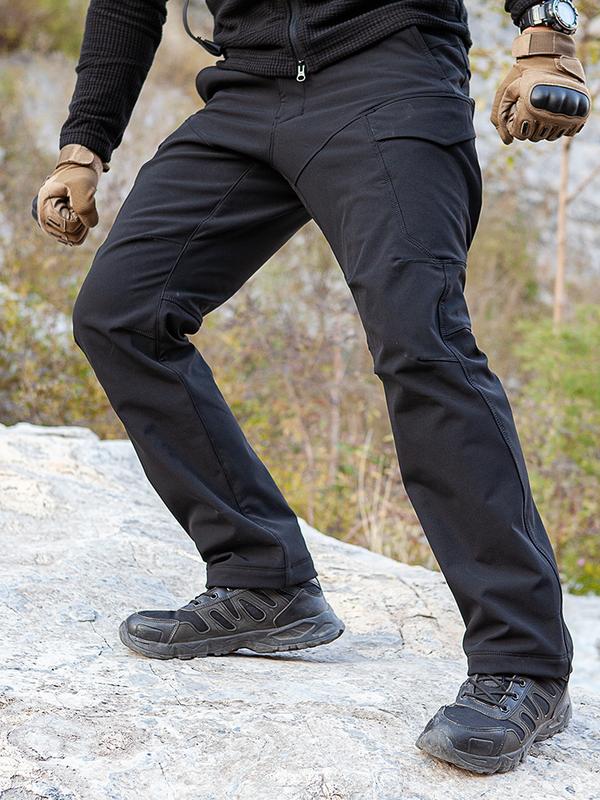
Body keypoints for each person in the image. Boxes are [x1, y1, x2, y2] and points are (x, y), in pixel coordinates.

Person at [35, 0, 590, 775]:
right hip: (247, 87)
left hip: (388, 71)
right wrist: (83, 147)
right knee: (120, 314)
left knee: (420, 338)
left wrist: (546, 31)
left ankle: (524, 661)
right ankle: (263, 577)